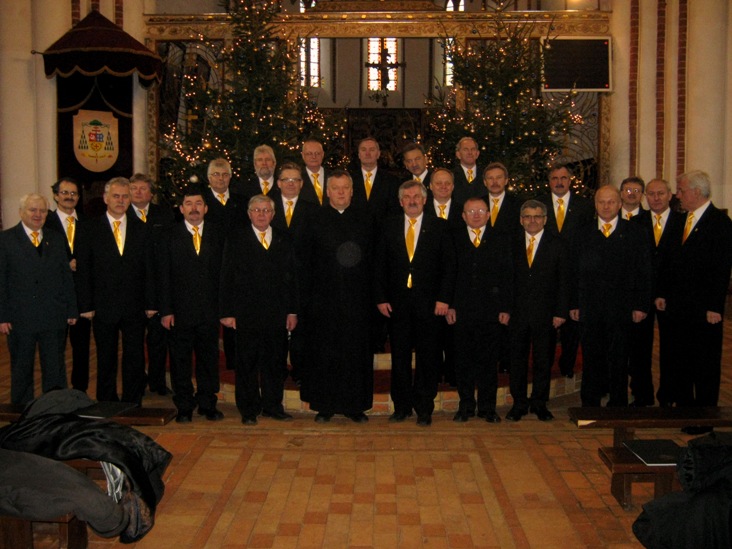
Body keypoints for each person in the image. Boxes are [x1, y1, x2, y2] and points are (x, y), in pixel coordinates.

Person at [375, 180, 456, 426]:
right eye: (407, 197)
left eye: (416, 197)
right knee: (399, 357)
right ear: (401, 202)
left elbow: (449, 266)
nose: (412, 201)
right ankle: (401, 406)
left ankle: (424, 408)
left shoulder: (439, 226)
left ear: (424, 200)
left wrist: (444, 298)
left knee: (427, 357)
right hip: (397, 304)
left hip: (430, 305)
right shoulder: (388, 226)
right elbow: (379, 265)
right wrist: (381, 298)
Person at [655, 171, 732, 429]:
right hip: (678, 307)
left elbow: (721, 269)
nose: (678, 195)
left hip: (704, 310)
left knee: (705, 364)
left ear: (697, 192)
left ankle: (704, 418)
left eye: (682, 190)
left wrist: (714, 306)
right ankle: (685, 411)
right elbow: (668, 261)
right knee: (682, 361)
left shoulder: (719, 223)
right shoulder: (679, 220)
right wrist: (662, 292)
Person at [300, 170, 376, 423]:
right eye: (336, 188)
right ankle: (325, 405)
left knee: (356, 354)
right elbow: (305, 261)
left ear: (352, 191)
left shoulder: (366, 219)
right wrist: (308, 299)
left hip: (358, 300)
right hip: (323, 300)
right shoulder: (314, 219)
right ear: (327, 192)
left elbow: (375, 260)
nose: (341, 192)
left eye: (345, 188)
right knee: (324, 353)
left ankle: (355, 406)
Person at [569, 185, 651, 407]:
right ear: (595, 205)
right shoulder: (582, 233)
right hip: (590, 307)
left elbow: (644, 271)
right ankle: (590, 403)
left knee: (619, 357)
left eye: (611, 202)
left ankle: (618, 403)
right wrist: (574, 303)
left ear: (620, 204)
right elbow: (573, 271)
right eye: (601, 202)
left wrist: (640, 305)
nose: (606, 206)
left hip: (622, 307)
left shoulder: (636, 233)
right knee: (591, 356)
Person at [220, 195, 298, 426]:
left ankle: (273, 406)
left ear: (273, 214)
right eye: (256, 210)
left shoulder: (285, 238)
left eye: (266, 210)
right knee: (247, 363)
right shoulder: (236, 239)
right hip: (246, 312)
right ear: (249, 213)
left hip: (276, 312)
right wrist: (227, 312)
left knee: (275, 362)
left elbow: (292, 278)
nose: (261, 214)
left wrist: (292, 311)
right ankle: (249, 409)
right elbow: (226, 276)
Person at [76, 177, 153, 404]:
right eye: (116, 196)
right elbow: (84, 270)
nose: (121, 200)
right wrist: (86, 305)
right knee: (106, 356)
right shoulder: (89, 228)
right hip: (103, 305)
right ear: (105, 198)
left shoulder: (142, 229)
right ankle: (107, 401)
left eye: (125, 196)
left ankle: (132, 401)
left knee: (134, 355)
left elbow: (150, 269)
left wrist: (151, 302)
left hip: (135, 305)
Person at [0, 194, 78, 404]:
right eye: (32, 210)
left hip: (53, 314)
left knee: (55, 369)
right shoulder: (5, 240)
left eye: (42, 211)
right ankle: (21, 414)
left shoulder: (56, 238)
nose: (38, 215)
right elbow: (1, 280)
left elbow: (65, 276)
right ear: (21, 212)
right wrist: (2, 315)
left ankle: (54, 410)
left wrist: (71, 308)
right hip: (20, 317)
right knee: (22, 369)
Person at [158, 186, 225, 423]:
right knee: (180, 361)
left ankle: (207, 404)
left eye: (198, 204)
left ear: (205, 208)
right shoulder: (168, 235)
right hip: (180, 312)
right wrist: (166, 310)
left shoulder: (218, 234)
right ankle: (184, 406)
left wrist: (224, 309)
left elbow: (224, 274)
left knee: (209, 360)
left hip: (210, 310)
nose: (194, 208)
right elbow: (163, 275)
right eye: (189, 204)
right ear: (181, 209)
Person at [447, 196, 511, 423]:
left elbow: (508, 275)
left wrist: (505, 307)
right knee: (463, 361)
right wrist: (450, 304)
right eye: (471, 211)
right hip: (461, 310)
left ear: (488, 214)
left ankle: (487, 408)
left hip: (491, 311)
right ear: (463, 216)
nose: (476, 215)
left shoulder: (501, 239)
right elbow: (448, 274)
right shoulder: (453, 238)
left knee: (488, 362)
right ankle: (465, 406)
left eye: (481, 211)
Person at [506, 200, 569, 422]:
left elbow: (564, 280)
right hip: (517, 313)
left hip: (546, 313)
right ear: (521, 220)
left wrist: (561, 311)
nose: (532, 221)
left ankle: (540, 403)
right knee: (517, 360)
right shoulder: (511, 243)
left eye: (537, 216)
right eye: (528, 216)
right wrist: (505, 309)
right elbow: (505, 279)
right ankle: (519, 404)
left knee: (543, 360)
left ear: (545, 219)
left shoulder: (557, 244)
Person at [628, 178, 685, 407]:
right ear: (645, 197)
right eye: (651, 194)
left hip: (672, 296)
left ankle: (668, 395)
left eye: (661, 193)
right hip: (641, 295)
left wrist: (664, 292)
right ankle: (642, 395)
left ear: (670, 195)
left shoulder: (683, 222)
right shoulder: (635, 223)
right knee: (639, 348)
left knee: (671, 348)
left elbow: (683, 264)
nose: (656, 198)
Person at [536, 163, 594, 378]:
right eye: (554, 178)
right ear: (549, 181)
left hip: (574, 273)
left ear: (570, 180)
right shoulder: (539, 204)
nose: (559, 182)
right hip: (546, 274)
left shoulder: (584, 206)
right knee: (547, 325)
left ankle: (567, 366)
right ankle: (545, 366)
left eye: (563, 178)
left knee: (572, 325)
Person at [271, 162, 319, 385]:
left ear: (301, 184)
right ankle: (277, 370)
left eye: (295, 180)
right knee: (276, 329)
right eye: (286, 180)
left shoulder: (313, 209)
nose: (291, 184)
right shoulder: (266, 208)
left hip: (304, 280)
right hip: (275, 279)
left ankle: (301, 371)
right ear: (278, 183)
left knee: (302, 330)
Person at [129, 173, 175, 397]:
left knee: (158, 340)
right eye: (134, 188)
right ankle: (136, 382)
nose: (138, 192)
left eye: (143, 188)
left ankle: (157, 381)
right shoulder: (122, 215)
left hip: (158, 285)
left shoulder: (164, 214)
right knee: (134, 342)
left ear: (151, 193)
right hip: (132, 289)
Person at [44, 177, 91, 393]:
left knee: (82, 349)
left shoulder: (88, 223)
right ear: (55, 196)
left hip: (82, 298)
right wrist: (64, 264)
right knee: (55, 348)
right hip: (56, 298)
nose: (69, 197)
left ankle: (80, 392)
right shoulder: (45, 223)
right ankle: (55, 393)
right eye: (64, 193)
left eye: (73, 193)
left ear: (78, 198)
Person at [203, 157, 244, 371]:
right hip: (209, 265)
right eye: (216, 175)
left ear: (230, 177)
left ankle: (233, 361)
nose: (221, 178)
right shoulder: (200, 202)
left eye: (225, 174)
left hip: (235, 266)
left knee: (232, 313)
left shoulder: (241, 201)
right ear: (209, 178)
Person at [423, 167, 461, 386]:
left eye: (447, 183)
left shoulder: (463, 211)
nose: (443, 187)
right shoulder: (420, 210)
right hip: (427, 285)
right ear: (430, 186)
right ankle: (434, 375)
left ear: (453, 187)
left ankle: (454, 376)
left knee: (454, 335)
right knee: (431, 336)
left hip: (455, 282)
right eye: (438, 183)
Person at [349, 137, 400, 221]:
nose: (367, 153)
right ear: (359, 154)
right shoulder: (349, 180)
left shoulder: (392, 181)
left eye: (372, 150)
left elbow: (395, 211)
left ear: (378, 154)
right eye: (363, 150)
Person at [452, 137, 483, 204]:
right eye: (465, 149)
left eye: (473, 149)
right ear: (458, 154)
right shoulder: (451, 176)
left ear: (477, 154)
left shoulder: (486, 175)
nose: (470, 152)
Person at [300, 138, 329, 206]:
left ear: (322, 154)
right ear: (303, 155)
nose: (314, 157)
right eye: (309, 154)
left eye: (317, 153)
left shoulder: (333, 176)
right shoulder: (297, 177)